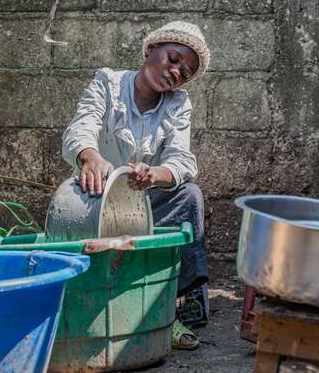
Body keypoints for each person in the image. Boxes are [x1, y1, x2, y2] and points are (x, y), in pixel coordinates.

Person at [61, 21, 210, 350]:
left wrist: (155, 174)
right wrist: (91, 158)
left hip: (145, 202)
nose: (175, 72)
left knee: (189, 196)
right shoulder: (108, 83)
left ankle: (167, 307)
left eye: (184, 72)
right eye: (172, 58)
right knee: (73, 218)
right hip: (96, 195)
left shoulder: (177, 104)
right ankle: (93, 304)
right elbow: (80, 127)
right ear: (151, 50)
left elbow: (182, 161)